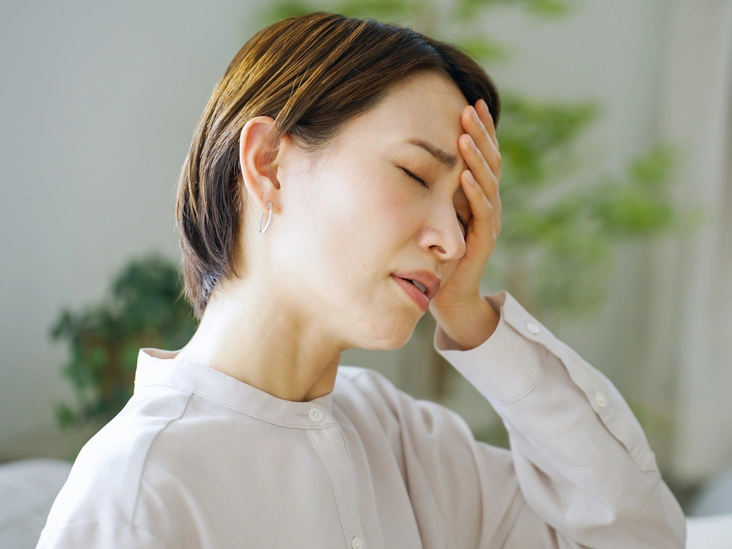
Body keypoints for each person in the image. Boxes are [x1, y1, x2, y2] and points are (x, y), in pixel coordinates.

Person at [36, 11, 686, 549]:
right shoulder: (135, 497)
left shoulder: (399, 436)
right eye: (414, 174)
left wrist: (472, 317)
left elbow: (639, 536)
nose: (454, 241)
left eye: (465, 213)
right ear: (268, 163)